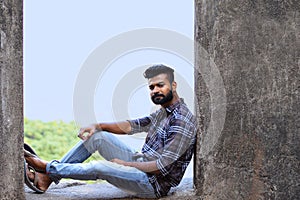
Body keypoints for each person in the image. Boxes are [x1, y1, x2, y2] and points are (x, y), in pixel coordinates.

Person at [24, 64, 198, 198]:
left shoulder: (181, 120)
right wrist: (97, 126)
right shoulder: (164, 112)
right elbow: (132, 125)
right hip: (141, 164)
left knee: (101, 167)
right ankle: (48, 177)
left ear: (173, 85)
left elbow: (162, 167)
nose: (155, 91)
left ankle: (47, 168)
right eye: (152, 87)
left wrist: (127, 164)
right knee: (98, 137)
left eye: (160, 85)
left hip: (152, 184)